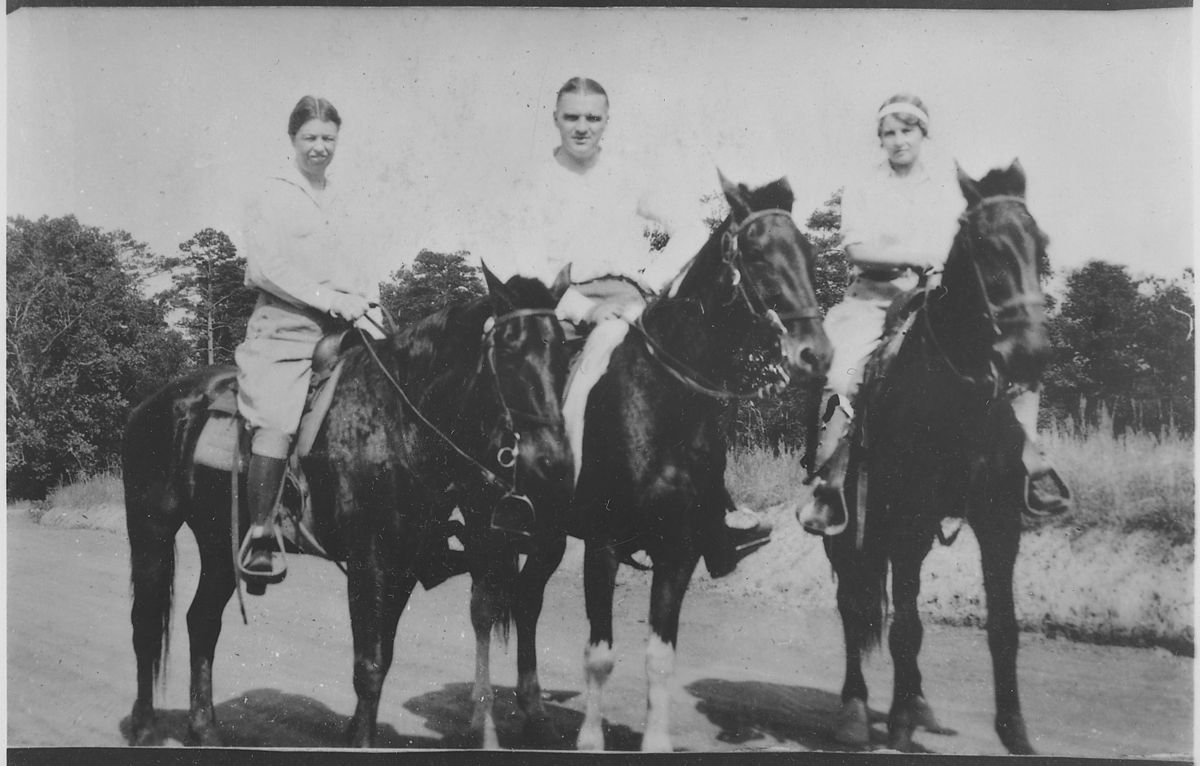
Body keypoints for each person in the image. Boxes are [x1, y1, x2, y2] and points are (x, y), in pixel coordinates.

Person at [497, 76, 771, 574]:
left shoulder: (627, 174)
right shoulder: (534, 184)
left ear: (607, 122)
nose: (583, 127)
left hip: (635, 304)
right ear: (555, 119)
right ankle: (549, 495)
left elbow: (690, 227)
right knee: (553, 381)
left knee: (691, 373)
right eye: (572, 117)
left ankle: (715, 510)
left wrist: (651, 282)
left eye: (593, 118)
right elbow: (530, 270)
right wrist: (585, 308)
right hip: (562, 308)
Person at [797, 93, 1070, 536]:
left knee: (1012, 359)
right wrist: (915, 255)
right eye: (889, 133)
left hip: (934, 297)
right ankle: (829, 484)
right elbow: (855, 248)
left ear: (924, 134)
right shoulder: (864, 184)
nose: (898, 140)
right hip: (874, 298)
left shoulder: (947, 186)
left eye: (907, 131)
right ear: (880, 140)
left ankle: (1032, 467)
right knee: (844, 374)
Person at [234, 95, 382, 591]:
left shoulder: (342, 199)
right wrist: (328, 299)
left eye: (328, 139)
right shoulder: (275, 194)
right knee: (275, 417)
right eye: (310, 138)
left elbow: (360, 265)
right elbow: (264, 268)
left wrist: (370, 303)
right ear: (292, 140)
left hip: (343, 328)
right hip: (284, 327)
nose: (320, 147)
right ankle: (260, 533)